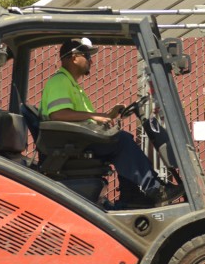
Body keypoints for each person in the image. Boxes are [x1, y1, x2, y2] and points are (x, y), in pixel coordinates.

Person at [40, 37, 182, 206]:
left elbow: (80, 118)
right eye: (87, 55)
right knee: (121, 141)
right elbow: (58, 114)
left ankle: (133, 196)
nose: (91, 61)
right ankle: (154, 189)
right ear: (73, 56)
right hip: (71, 146)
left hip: (77, 141)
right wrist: (94, 116)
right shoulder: (60, 81)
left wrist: (108, 115)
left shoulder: (72, 85)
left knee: (121, 139)